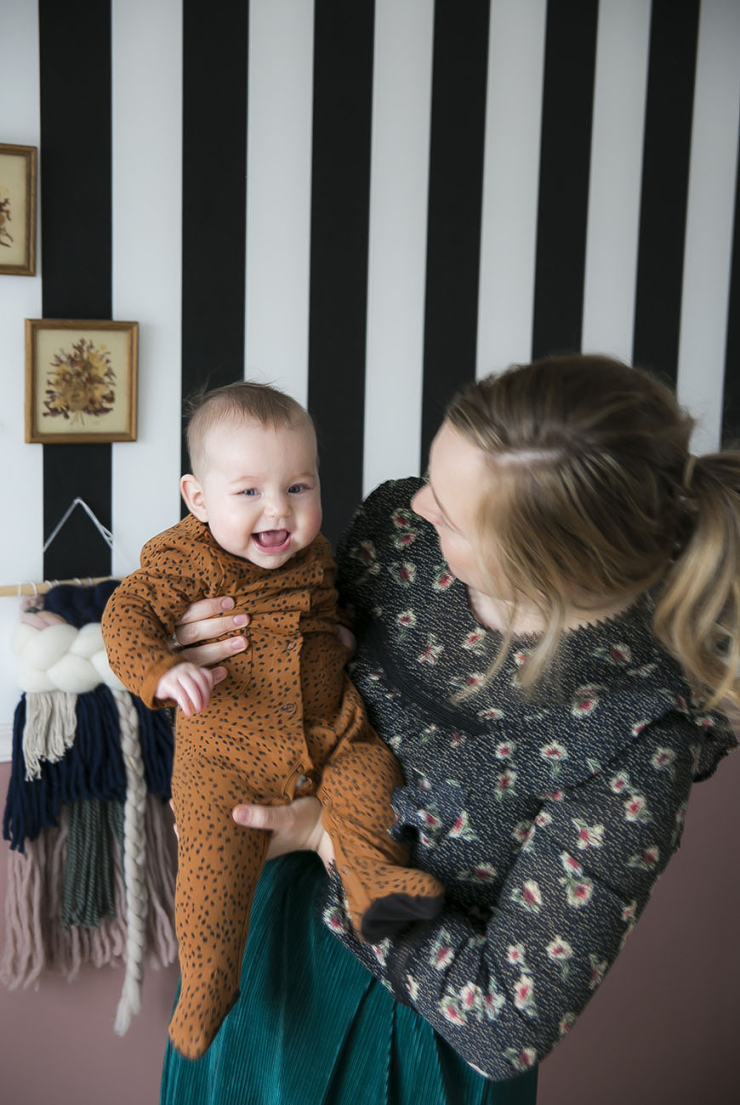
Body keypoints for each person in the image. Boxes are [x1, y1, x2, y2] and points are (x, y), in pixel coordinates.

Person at [159, 354, 738, 1104]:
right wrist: (206, 636)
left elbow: (506, 1026)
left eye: (453, 509)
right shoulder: (400, 537)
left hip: (415, 1048)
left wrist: (326, 840)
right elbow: (300, 649)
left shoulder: (636, 734)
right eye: (432, 473)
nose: (421, 503)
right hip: (268, 969)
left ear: (537, 560)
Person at [101, 382, 443, 1060]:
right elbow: (125, 616)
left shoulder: (314, 556)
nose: (278, 510)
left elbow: (330, 608)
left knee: (375, 778)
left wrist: (343, 635)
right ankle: (206, 982)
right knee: (211, 868)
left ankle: (374, 883)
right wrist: (162, 670)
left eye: (298, 486)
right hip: (225, 757)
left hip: (332, 733)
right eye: (249, 491)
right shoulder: (184, 557)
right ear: (198, 499)